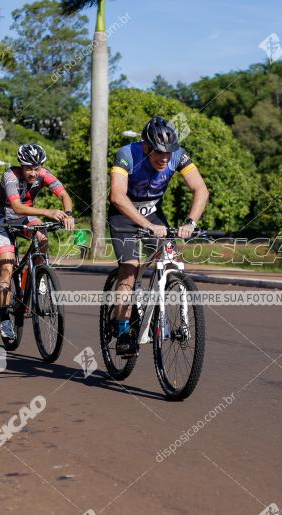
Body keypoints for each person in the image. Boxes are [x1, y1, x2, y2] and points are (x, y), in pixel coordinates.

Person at [108, 115, 209, 356]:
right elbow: (117, 196)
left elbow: (200, 189)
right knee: (130, 269)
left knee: (170, 261)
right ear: (146, 147)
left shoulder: (177, 155)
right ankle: (122, 329)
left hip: (154, 212)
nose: (164, 158)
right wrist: (145, 224)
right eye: (158, 153)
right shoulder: (127, 154)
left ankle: (156, 301)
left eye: (168, 153)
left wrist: (190, 222)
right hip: (124, 214)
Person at [0, 144, 75, 339]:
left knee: (42, 235)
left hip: (26, 217)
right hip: (3, 219)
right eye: (28, 168)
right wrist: (48, 212)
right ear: (21, 166)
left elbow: (63, 194)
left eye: (37, 168)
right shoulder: (10, 176)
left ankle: (39, 276)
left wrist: (68, 214)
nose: (33, 172)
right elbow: (17, 207)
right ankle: (4, 318)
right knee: (7, 268)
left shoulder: (44, 174)